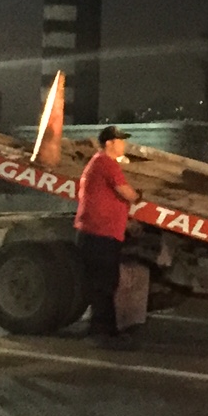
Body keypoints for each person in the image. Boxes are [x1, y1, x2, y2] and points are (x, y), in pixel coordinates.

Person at [75, 125, 141, 348]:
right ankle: (104, 333)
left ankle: (104, 330)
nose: (124, 144)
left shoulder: (101, 163)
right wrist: (138, 195)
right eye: (120, 140)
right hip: (100, 235)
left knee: (104, 284)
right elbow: (126, 192)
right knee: (104, 284)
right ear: (109, 143)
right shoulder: (105, 162)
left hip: (100, 233)